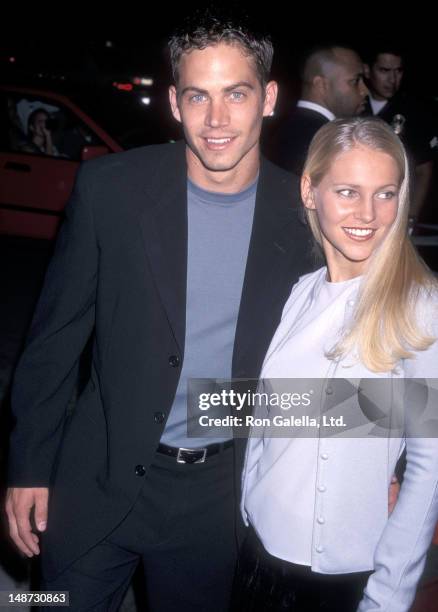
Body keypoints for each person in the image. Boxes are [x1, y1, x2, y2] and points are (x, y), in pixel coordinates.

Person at [5, 11, 314, 612]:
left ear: (269, 98)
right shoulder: (111, 189)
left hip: (220, 500)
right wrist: (26, 467)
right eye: (198, 96)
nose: (217, 120)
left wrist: (386, 457)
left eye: (237, 94)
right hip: (98, 478)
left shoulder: (305, 212)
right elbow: (53, 343)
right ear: (174, 102)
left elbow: (349, 352)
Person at [233, 117, 438, 611]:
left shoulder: (420, 305)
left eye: (386, 193)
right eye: (348, 190)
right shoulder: (299, 292)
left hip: (342, 580)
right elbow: (275, 413)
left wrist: (388, 594)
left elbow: (430, 466)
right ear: (310, 190)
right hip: (257, 554)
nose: (369, 213)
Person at [267, 45, 368, 175]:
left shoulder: (280, 130)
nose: (364, 91)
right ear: (321, 85)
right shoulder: (330, 140)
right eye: (355, 81)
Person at [363, 46, 437, 223]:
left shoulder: (413, 111)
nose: (392, 79)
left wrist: (410, 219)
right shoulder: (354, 104)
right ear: (367, 70)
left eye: (398, 71)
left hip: (396, 206)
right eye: (384, 70)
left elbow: (424, 170)